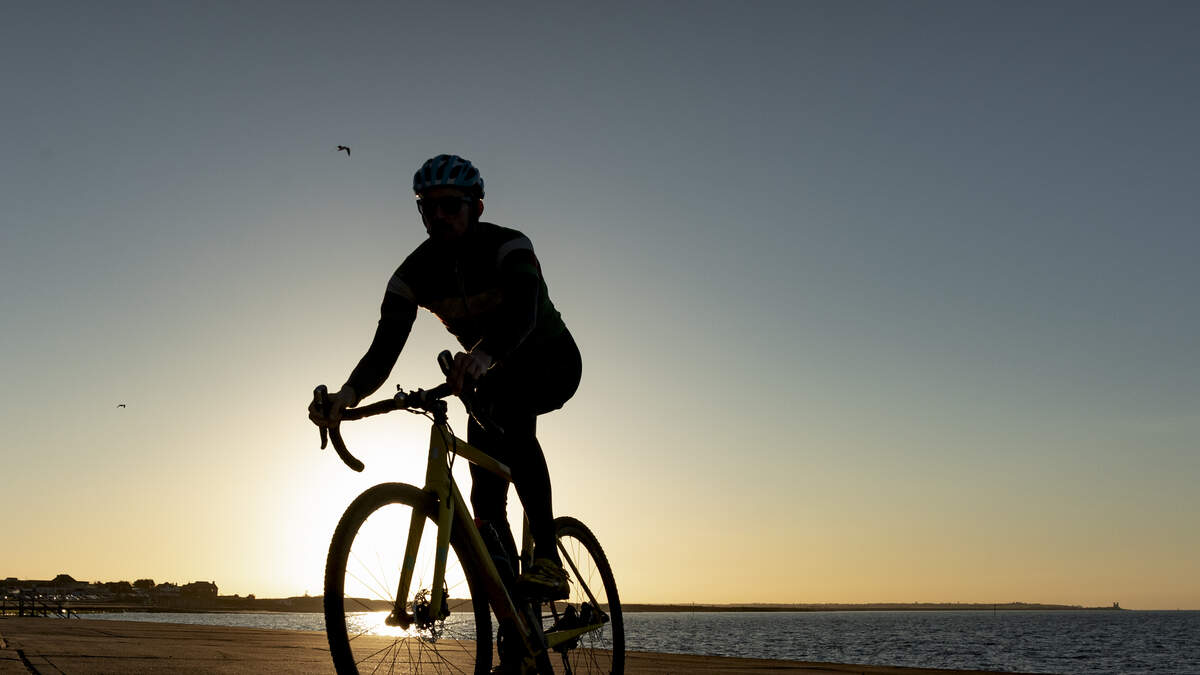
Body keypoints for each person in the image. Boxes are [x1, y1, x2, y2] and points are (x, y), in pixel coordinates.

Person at [309, 154, 580, 601]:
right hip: (486, 379)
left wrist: (483, 355)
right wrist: (348, 394)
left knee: (512, 416)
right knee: (485, 502)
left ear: (477, 207)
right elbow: (384, 347)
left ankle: (549, 560)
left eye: (450, 205)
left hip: (551, 361)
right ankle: (515, 615)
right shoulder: (413, 273)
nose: (438, 215)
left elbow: (523, 312)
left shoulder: (509, 246)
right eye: (427, 207)